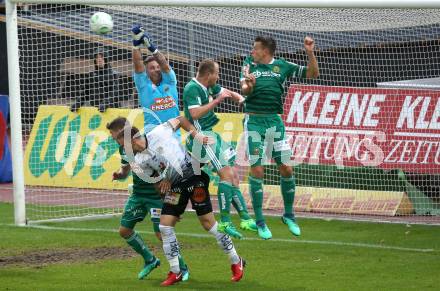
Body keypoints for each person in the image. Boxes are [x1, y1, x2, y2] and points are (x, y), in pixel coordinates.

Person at [118, 117, 246, 287]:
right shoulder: (140, 160)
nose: (123, 150)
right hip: (176, 186)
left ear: (133, 140)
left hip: (194, 176)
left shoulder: (159, 132)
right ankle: (176, 271)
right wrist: (163, 184)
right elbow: (156, 181)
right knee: (165, 226)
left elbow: (180, 119)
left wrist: (196, 134)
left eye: (123, 145)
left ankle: (236, 260)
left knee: (208, 223)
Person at [240, 35, 319, 239]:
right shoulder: (248, 64)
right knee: (257, 170)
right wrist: (250, 85)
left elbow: (312, 74)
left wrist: (310, 53)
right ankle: (260, 221)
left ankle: (289, 215)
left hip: (275, 122)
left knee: (286, 167)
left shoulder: (283, 66)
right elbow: (244, 91)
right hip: (254, 122)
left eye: (255, 48)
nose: (252, 52)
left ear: (265, 51)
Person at [106, 117, 189, 281]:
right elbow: (126, 170)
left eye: (114, 135)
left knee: (161, 233)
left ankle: (182, 267)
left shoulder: (147, 142)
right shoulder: (123, 149)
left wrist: (172, 203)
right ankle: (150, 260)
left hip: (156, 196)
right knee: (124, 231)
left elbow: (168, 171)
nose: (113, 138)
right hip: (138, 194)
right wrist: (120, 175)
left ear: (124, 131)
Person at [183, 59, 257, 240]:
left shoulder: (208, 85)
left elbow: (225, 92)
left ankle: (245, 218)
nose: (218, 76)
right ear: (208, 75)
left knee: (233, 176)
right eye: (217, 73)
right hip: (202, 139)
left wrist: (239, 97)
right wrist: (217, 101)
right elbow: (194, 114)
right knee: (225, 175)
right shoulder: (192, 88)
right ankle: (224, 220)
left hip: (212, 135)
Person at [131, 25, 181, 137]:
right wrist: (136, 44)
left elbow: (165, 64)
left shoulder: (170, 81)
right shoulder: (143, 85)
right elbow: (138, 64)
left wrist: (151, 47)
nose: (157, 69)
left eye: (158, 67)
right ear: (147, 72)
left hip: (173, 137)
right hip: (153, 137)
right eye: (152, 68)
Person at [71, 48, 121, 112]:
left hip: (111, 110)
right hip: (95, 110)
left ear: (106, 59)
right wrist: (77, 103)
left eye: (101, 57)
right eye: (97, 57)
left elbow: (114, 93)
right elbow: (85, 93)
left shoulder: (114, 74)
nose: (99, 59)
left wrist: (105, 103)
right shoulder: (91, 75)